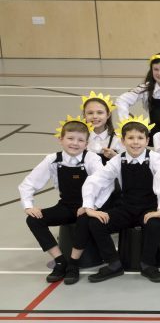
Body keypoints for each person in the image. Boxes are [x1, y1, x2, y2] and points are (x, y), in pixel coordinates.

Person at [80, 115, 160, 283]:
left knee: (155, 224)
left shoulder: (154, 158)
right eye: (130, 138)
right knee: (94, 222)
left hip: (148, 207)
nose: (135, 142)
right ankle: (114, 264)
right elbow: (96, 179)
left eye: (140, 138)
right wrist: (89, 206)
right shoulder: (117, 160)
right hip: (126, 208)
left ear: (147, 140)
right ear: (122, 141)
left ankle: (148, 264)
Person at [20, 116, 104, 284]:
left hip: (87, 207)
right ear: (61, 139)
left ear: (86, 144)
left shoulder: (92, 159)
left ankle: (73, 264)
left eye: (80, 140)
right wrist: (28, 205)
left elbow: (103, 184)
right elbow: (28, 183)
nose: (75, 143)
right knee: (34, 220)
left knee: (84, 220)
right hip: (65, 206)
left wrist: (91, 206)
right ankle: (60, 260)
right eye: (70, 138)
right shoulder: (52, 159)